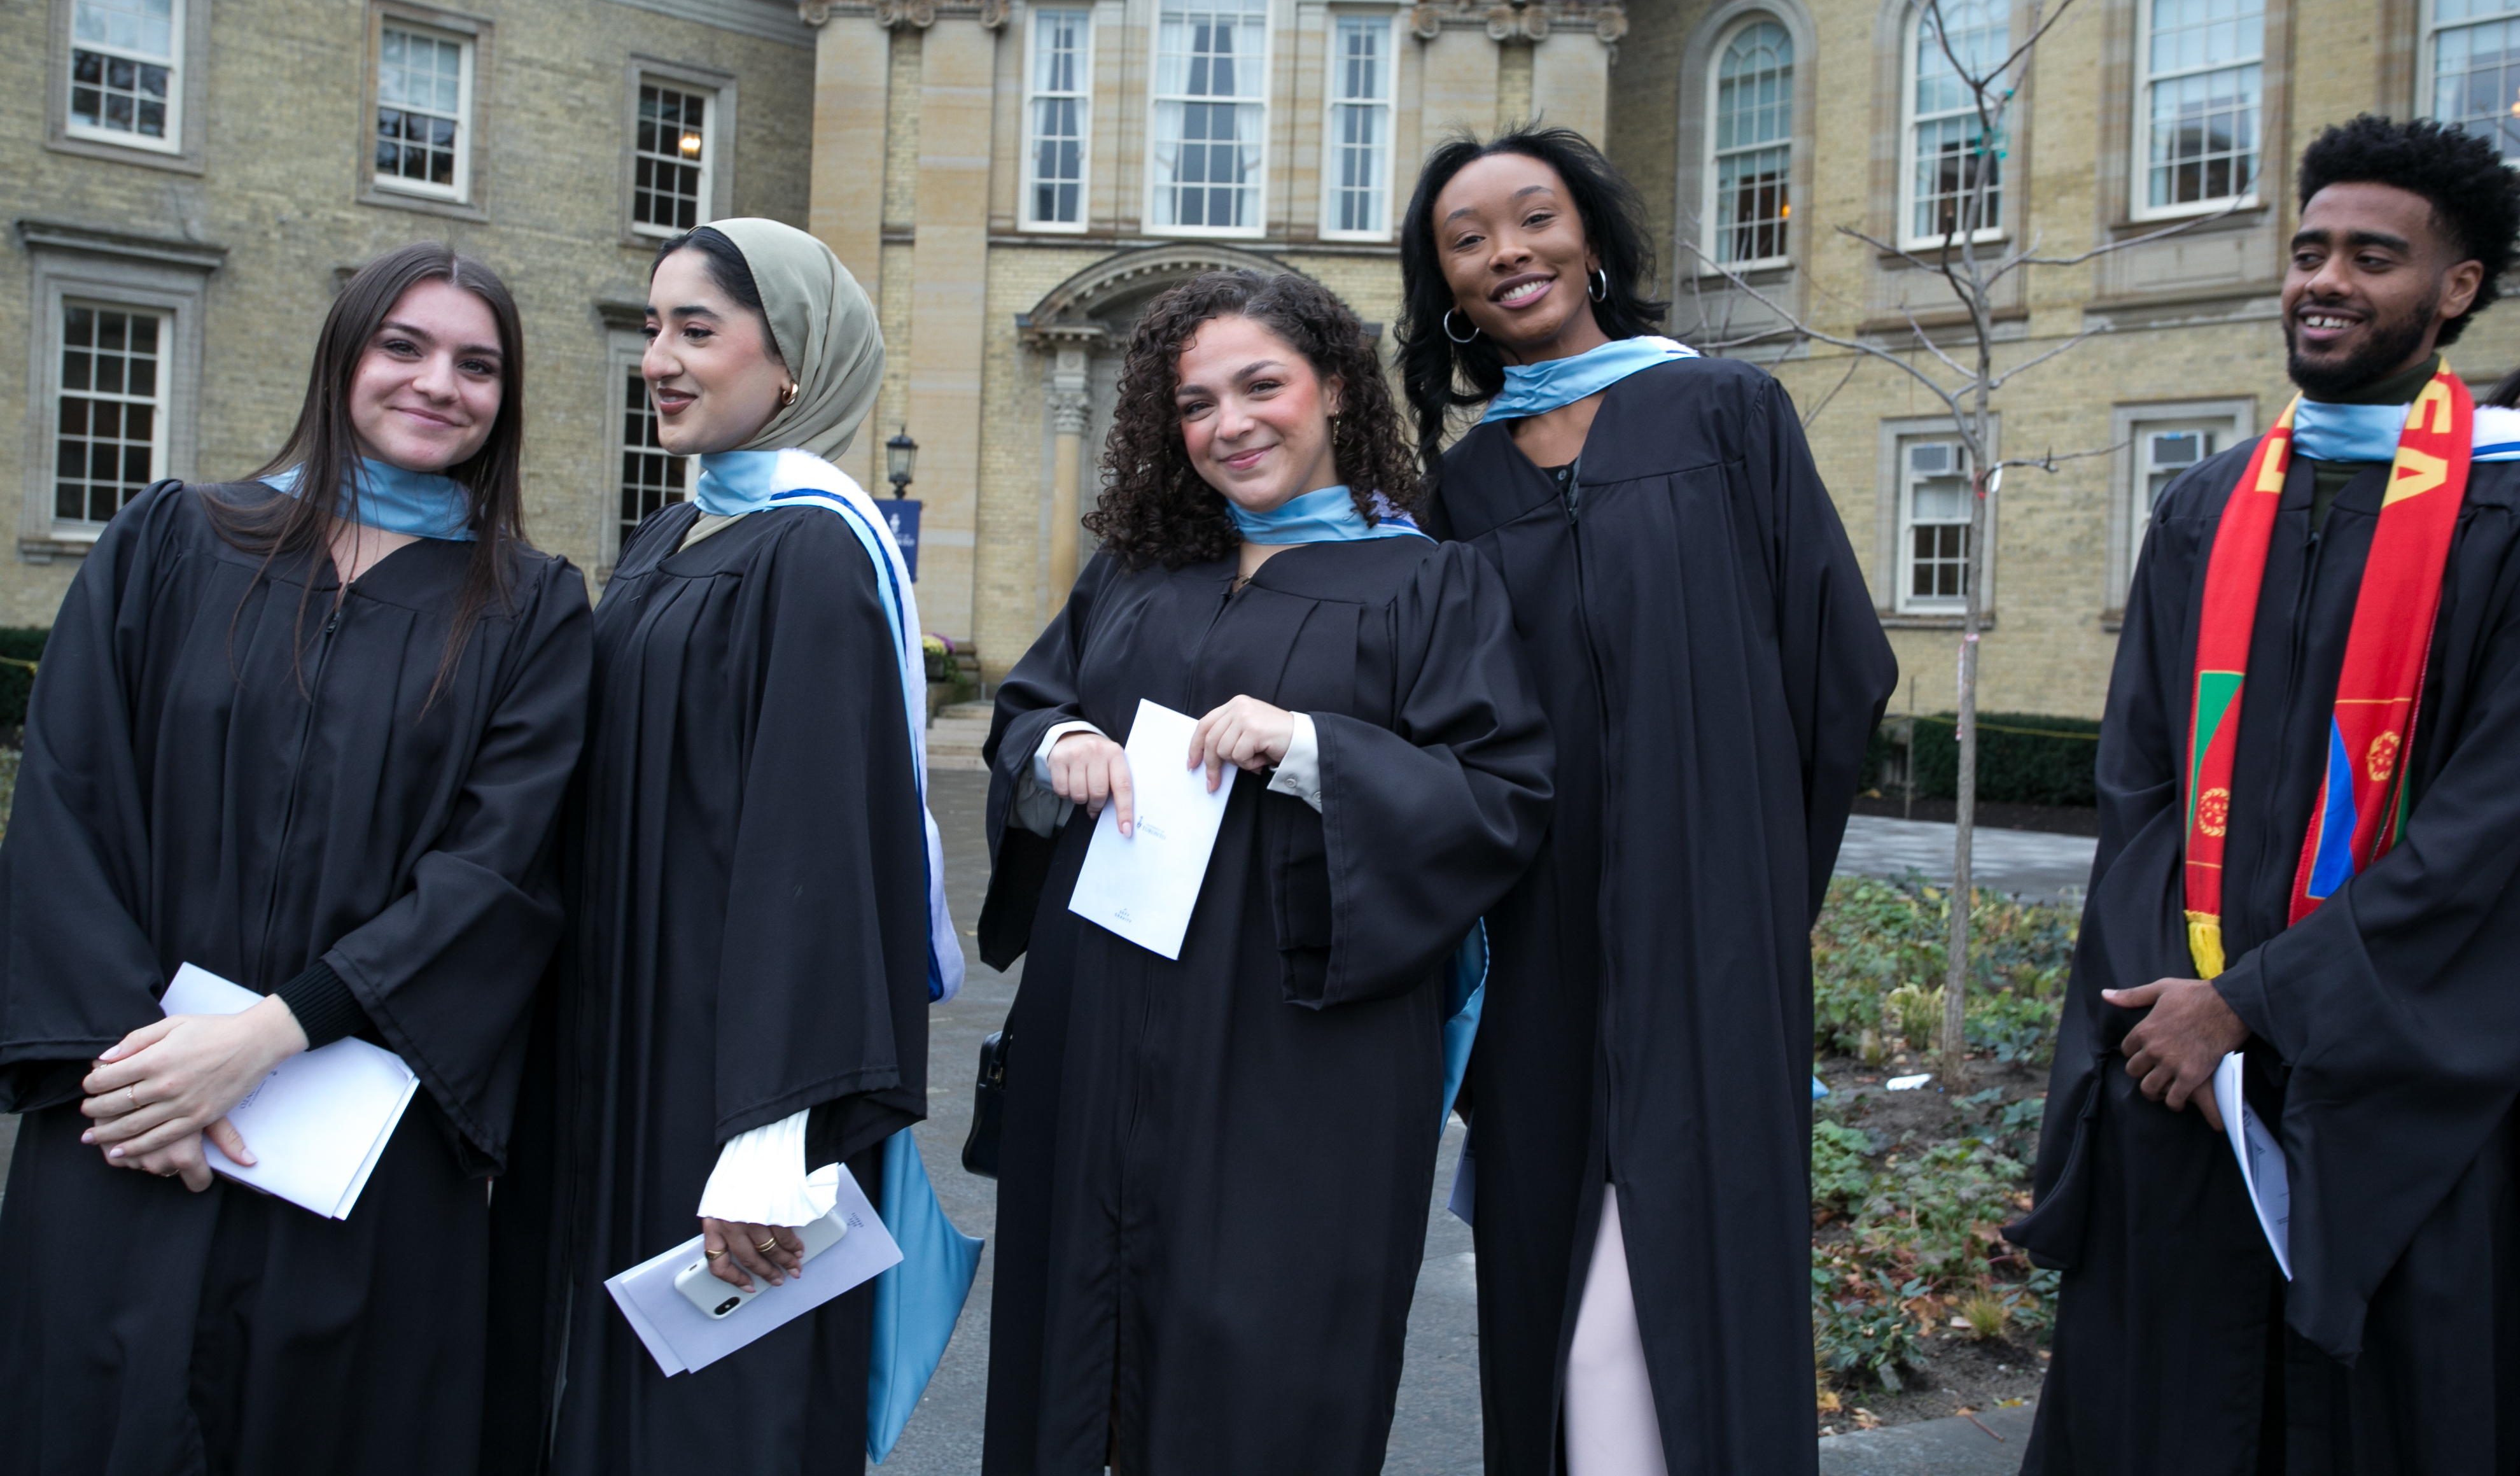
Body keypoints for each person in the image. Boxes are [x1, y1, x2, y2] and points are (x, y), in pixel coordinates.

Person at [0, 244, 592, 1474]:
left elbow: (497, 870)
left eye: (478, 366)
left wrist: (275, 1031)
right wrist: (139, 1074)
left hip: (358, 1144)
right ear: (345, 357)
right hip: (126, 1122)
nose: (439, 384)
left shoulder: (529, 610)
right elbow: (69, 800)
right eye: (405, 347)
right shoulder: (174, 542)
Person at [974, 268, 1553, 1476]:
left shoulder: (1429, 583)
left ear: (1334, 387)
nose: (1228, 425)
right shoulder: (1137, 574)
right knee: (1074, 1356)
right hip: (1096, 1030)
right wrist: (1056, 745)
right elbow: (1030, 706)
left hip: (1295, 1061)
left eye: (1260, 386)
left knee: (1264, 1359)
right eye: (1195, 404)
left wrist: (1314, 748)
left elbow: (1501, 799)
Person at [2011, 117, 2520, 1472]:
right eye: (2309, 251)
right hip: (2191, 1069)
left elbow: (2491, 826)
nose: (2326, 280)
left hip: (2398, 1073)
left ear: (2455, 291)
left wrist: (2264, 1002)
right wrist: (2168, 1005)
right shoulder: (2211, 504)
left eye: (2373, 255)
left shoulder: (2505, 515)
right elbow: (2142, 790)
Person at [1399, 127, 1896, 1476]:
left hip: (1714, 920)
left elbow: (1837, 670)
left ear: (1596, 240)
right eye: (1469, 236)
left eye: (1535, 216)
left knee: (1677, 1275)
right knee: (1549, 1282)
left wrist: (1755, 889)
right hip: (1537, 950)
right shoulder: (1463, 490)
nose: (1509, 251)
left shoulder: (1724, 414)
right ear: (1444, 282)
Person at [532, 219, 956, 1475]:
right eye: (653, 327)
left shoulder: (816, 552)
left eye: (697, 330)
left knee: (726, 1414)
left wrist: (772, 1137)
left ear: (792, 365)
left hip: (732, 1081)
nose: (657, 357)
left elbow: (817, 847)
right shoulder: (675, 539)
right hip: (629, 1048)